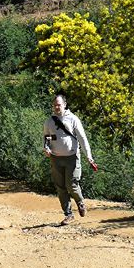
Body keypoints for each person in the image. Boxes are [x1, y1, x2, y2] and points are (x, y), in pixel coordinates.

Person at [43, 93, 97, 225]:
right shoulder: (49, 121)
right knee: (60, 187)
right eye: (55, 105)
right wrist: (46, 148)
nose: (56, 107)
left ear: (64, 105)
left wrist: (89, 156)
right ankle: (68, 214)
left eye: (59, 105)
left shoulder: (73, 119)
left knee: (71, 185)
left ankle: (80, 202)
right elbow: (46, 138)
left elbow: (83, 139)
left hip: (72, 157)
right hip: (56, 158)